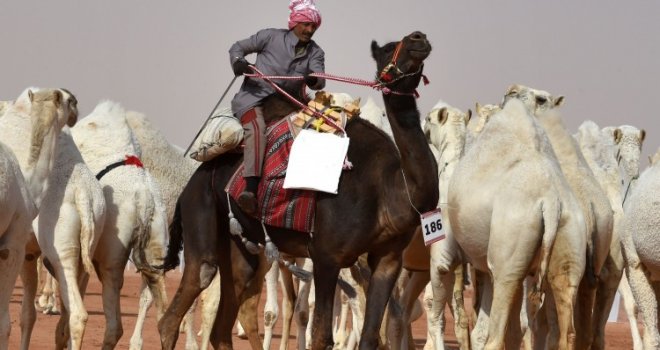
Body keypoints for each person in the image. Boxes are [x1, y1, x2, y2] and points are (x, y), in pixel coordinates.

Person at [229, 0, 326, 215]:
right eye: (306, 24)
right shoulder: (270, 36)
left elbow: (320, 78)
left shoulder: (316, 53)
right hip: (254, 101)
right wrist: (238, 62)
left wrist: (314, 81)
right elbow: (238, 47)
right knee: (256, 129)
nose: (310, 30)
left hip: (290, 106)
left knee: (324, 130)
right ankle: (251, 190)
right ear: (295, 23)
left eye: (313, 26)